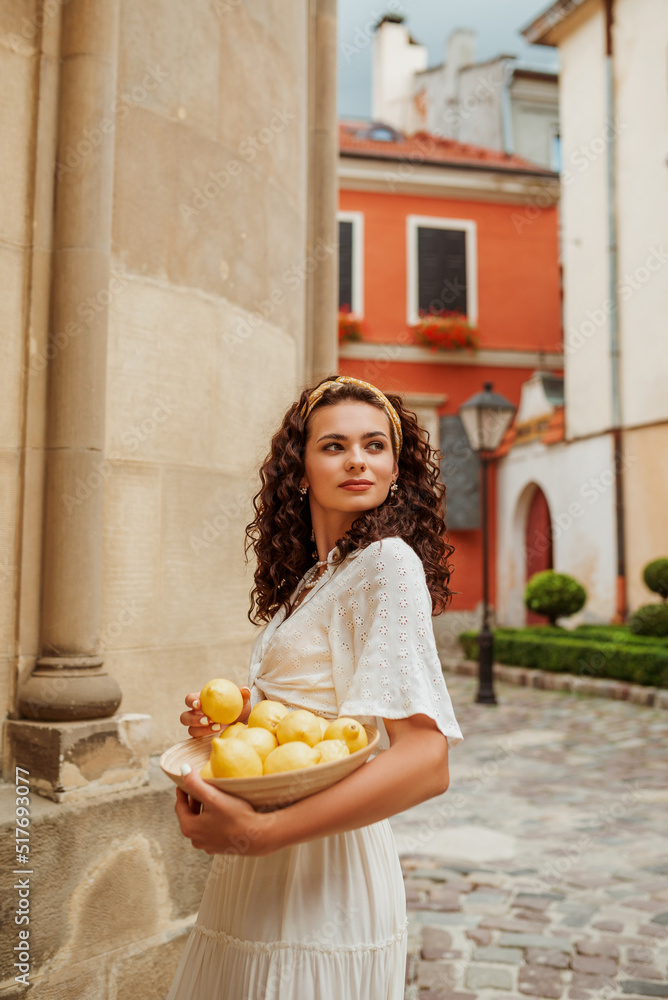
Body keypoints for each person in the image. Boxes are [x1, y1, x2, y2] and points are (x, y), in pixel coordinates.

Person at [167, 374, 463, 1000]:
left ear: (395, 467)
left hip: (321, 863)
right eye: (334, 445)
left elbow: (426, 758)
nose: (358, 459)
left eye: (375, 445)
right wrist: (245, 718)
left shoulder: (388, 563)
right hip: (262, 861)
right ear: (298, 470)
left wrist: (261, 833)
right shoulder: (312, 581)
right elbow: (320, 714)